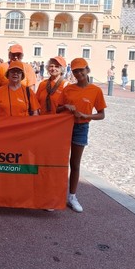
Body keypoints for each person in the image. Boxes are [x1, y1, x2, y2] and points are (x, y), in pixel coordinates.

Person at [57, 58, 106, 213]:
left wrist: (85, 115)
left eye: (81, 70)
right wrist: (66, 106)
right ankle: (56, 196)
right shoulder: (68, 89)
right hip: (65, 127)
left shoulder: (95, 90)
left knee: (75, 163)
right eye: (75, 71)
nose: (78, 74)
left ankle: (72, 196)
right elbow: (57, 109)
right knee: (60, 162)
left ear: (87, 70)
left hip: (81, 127)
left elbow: (101, 114)